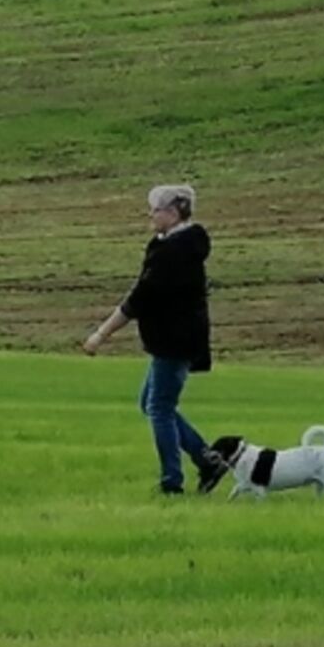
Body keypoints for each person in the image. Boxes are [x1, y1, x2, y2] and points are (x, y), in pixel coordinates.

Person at [82, 184, 221, 495]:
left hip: (175, 341)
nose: (150, 215)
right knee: (152, 403)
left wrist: (100, 335)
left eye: (155, 210)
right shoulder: (180, 245)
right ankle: (207, 459)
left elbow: (139, 300)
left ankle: (173, 482)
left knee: (159, 408)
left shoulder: (171, 252)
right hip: (179, 339)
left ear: (173, 213)